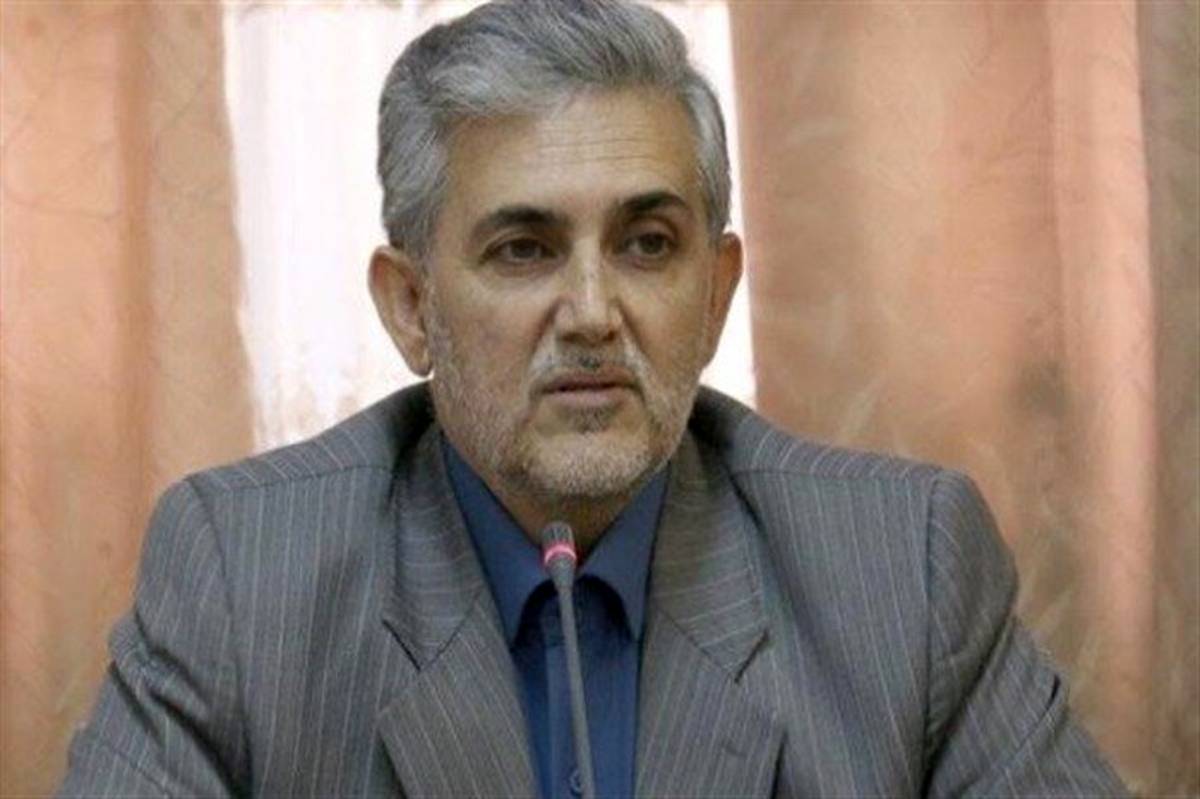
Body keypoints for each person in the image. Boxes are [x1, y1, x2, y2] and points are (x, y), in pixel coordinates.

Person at [60, 1, 1127, 796]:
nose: (591, 313)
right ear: (412, 307)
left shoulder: (904, 567)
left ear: (715, 294)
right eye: (524, 249)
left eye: (647, 244)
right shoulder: (243, 574)